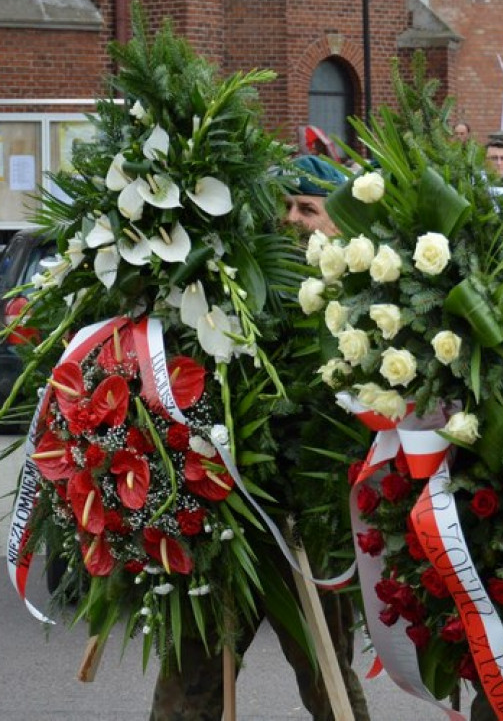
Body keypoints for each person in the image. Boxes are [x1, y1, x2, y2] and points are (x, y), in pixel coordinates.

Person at [150, 154, 371, 721]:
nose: (292, 219)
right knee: (189, 685)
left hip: (306, 525)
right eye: (285, 207)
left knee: (328, 682)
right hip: (228, 517)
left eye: (308, 209)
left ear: (339, 223)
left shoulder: (362, 305)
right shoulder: (238, 287)